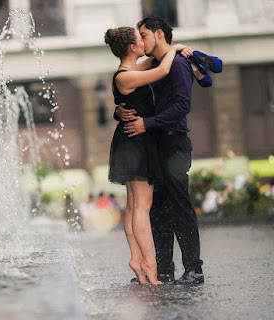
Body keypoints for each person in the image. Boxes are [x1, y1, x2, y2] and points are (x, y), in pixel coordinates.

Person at [115, 16, 204, 285]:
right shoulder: (154, 65)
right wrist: (120, 112)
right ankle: (164, 269)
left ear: (158, 34)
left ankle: (194, 269)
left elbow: (181, 107)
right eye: (138, 37)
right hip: (153, 143)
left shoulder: (176, 64)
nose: (141, 41)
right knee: (157, 210)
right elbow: (131, 93)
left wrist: (147, 123)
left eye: (144, 35)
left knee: (179, 207)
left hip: (174, 143)